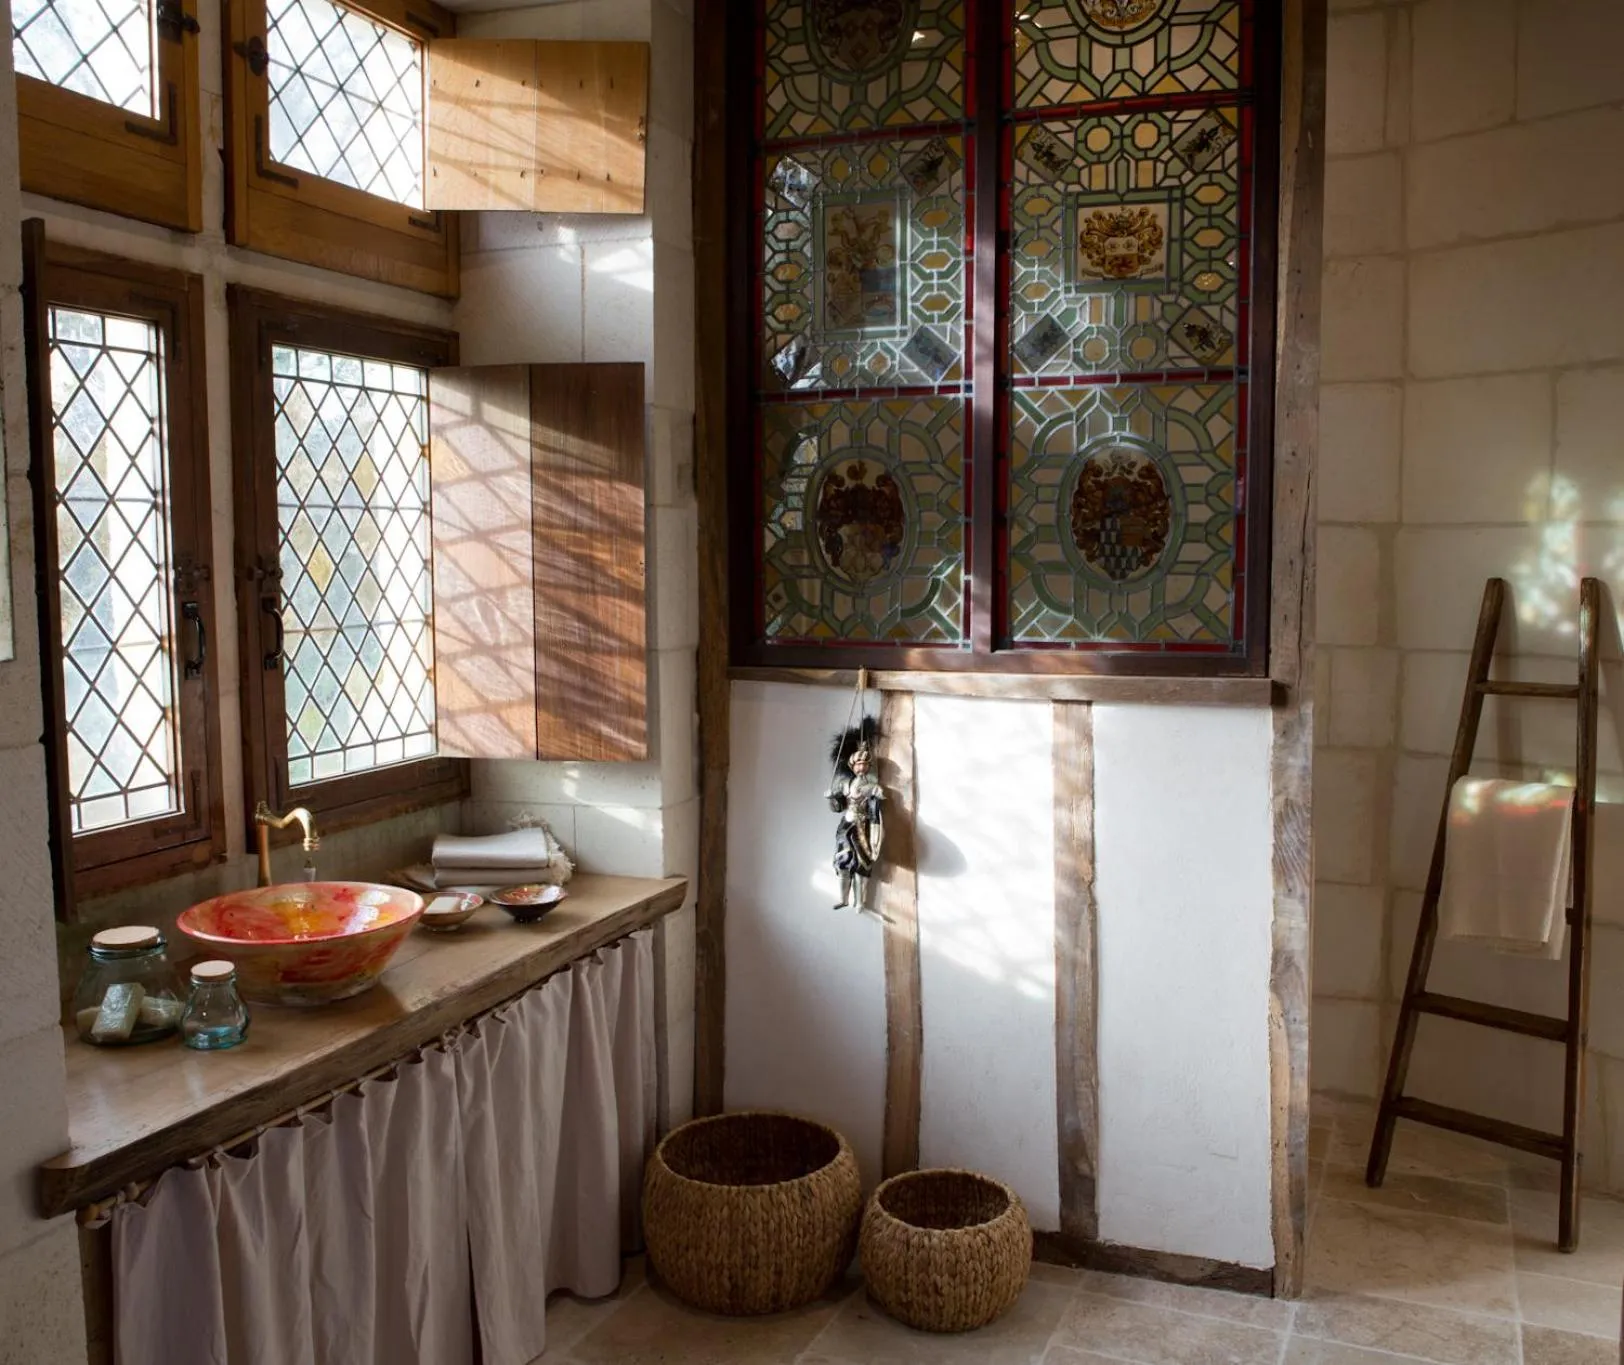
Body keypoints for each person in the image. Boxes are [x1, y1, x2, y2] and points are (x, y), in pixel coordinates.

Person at [828, 739, 885, 910]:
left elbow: (876, 807)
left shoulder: (873, 786)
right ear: (852, 766)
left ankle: (860, 902)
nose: (861, 768)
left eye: (864, 764)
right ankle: (844, 899)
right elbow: (838, 807)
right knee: (842, 862)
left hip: (862, 828)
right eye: (858, 764)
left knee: (862, 865)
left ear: (869, 766)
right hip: (846, 826)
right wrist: (832, 798)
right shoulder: (845, 784)